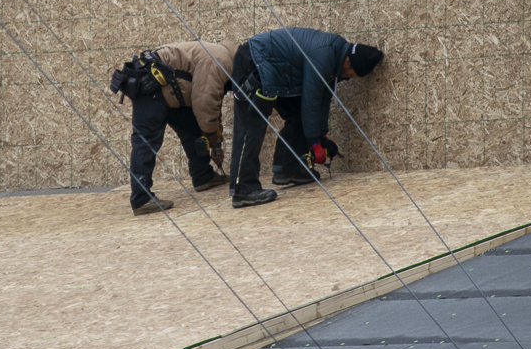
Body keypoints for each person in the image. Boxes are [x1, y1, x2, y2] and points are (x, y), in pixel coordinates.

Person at [228, 28, 384, 208]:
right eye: (354, 75)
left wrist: (320, 136)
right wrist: (314, 145)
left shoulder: (335, 57)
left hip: (275, 71)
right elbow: (311, 101)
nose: (353, 79)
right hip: (254, 61)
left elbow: (323, 98)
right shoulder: (325, 55)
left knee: (298, 116)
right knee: (251, 125)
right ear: (349, 63)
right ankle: (243, 189)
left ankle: (289, 168)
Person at [127, 40, 237, 215]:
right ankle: (141, 199)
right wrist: (212, 136)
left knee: (192, 130)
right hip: (151, 87)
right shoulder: (220, 60)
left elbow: (213, 105)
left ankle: (203, 176)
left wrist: (215, 141)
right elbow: (205, 103)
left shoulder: (224, 57)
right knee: (145, 142)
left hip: (170, 91)